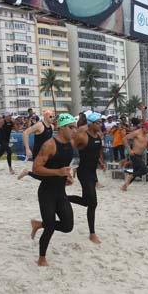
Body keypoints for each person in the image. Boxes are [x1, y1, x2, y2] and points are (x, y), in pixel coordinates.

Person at [29, 113, 76, 266]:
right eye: (71, 127)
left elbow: (63, 166)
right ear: (61, 128)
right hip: (47, 192)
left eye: (74, 127)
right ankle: (41, 258)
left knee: (68, 226)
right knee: (50, 227)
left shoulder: (70, 144)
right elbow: (36, 168)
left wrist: (67, 177)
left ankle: (38, 224)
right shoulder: (49, 144)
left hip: (60, 191)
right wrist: (58, 173)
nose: (73, 131)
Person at [68, 112, 105, 244]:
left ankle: (64, 198)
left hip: (93, 172)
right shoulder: (82, 136)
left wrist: (101, 162)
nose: (101, 124)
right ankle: (92, 233)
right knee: (93, 203)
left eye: (101, 122)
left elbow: (97, 151)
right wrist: (68, 167)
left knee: (86, 201)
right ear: (91, 123)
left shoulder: (99, 135)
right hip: (83, 172)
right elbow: (68, 148)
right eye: (98, 122)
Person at [18, 110, 54, 179]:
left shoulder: (52, 127)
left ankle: (27, 172)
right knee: (42, 175)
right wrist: (27, 149)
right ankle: (27, 172)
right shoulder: (39, 125)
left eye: (53, 117)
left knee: (48, 174)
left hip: (47, 153)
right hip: (38, 153)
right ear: (45, 117)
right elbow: (25, 133)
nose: (52, 118)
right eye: (51, 116)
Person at [121, 121, 148, 191]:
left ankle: (125, 186)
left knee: (136, 171)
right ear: (143, 127)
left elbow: (147, 147)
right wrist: (129, 150)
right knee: (144, 170)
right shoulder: (137, 132)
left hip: (140, 155)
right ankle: (130, 175)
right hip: (134, 154)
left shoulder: (147, 135)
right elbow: (124, 139)